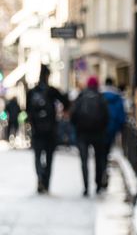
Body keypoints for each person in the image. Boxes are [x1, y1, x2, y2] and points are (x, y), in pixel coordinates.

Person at [25, 65, 70, 194]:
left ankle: (40, 177)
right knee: (49, 157)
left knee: (38, 156)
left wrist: (32, 123)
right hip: (51, 130)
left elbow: (27, 110)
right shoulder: (52, 91)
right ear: (48, 76)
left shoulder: (32, 92)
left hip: (36, 130)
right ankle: (46, 183)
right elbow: (65, 102)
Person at [70, 76, 110, 195]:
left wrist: (77, 128)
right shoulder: (101, 97)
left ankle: (86, 186)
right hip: (98, 134)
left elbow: (73, 115)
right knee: (98, 159)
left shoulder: (81, 96)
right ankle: (97, 185)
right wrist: (102, 129)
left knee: (84, 160)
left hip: (82, 134)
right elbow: (107, 116)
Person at [102, 77, 126, 151]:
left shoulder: (100, 95)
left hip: (101, 124)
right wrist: (121, 125)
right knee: (108, 145)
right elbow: (121, 112)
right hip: (113, 124)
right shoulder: (117, 96)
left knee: (101, 146)